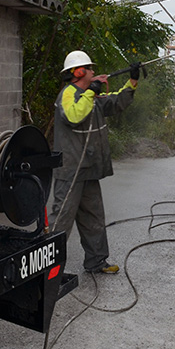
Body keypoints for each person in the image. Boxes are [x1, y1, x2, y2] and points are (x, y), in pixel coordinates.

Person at [50, 50, 140, 274]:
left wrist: (133, 81)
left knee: (94, 217)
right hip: (71, 169)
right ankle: (48, 269)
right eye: (89, 68)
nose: (93, 71)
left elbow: (114, 103)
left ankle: (96, 261)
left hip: (88, 169)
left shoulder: (92, 95)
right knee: (61, 220)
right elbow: (73, 116)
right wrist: (91, 92)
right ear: (79, 72)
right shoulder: (68, 94)